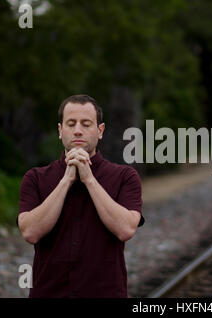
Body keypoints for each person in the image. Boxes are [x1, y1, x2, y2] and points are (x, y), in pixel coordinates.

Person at [17, 94, 144, 298]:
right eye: (71, 123)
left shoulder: (124, 177)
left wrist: (89, 179)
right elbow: (30, 232)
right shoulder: (36, 178)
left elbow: (126, 229)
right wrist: (66, 180)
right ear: (60, 130)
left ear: (100, 131)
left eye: (86, 124)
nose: (78, 130)